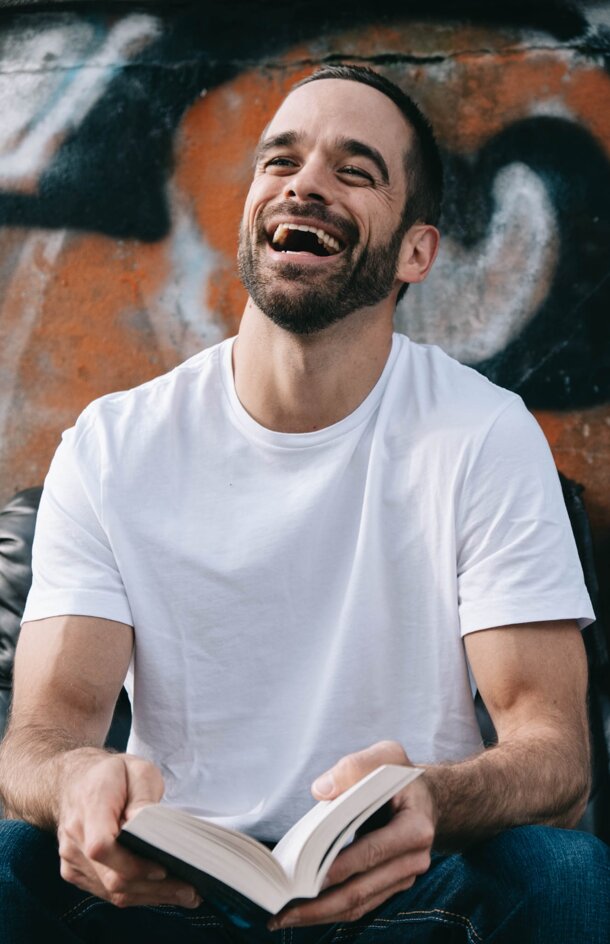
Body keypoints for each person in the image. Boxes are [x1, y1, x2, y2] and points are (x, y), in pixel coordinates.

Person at [0, 64, 608, 943]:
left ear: (416, 253)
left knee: (569, 875)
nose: (305, 183)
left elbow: (555, 754)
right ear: (251, 207)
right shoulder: (112, 445)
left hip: (402, 885)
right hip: (169, 891)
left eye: (354, 171)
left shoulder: (484, 435)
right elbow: (43, 732)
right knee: (11, 859)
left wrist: (433, 798)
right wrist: (76, 786)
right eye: (280, 160)